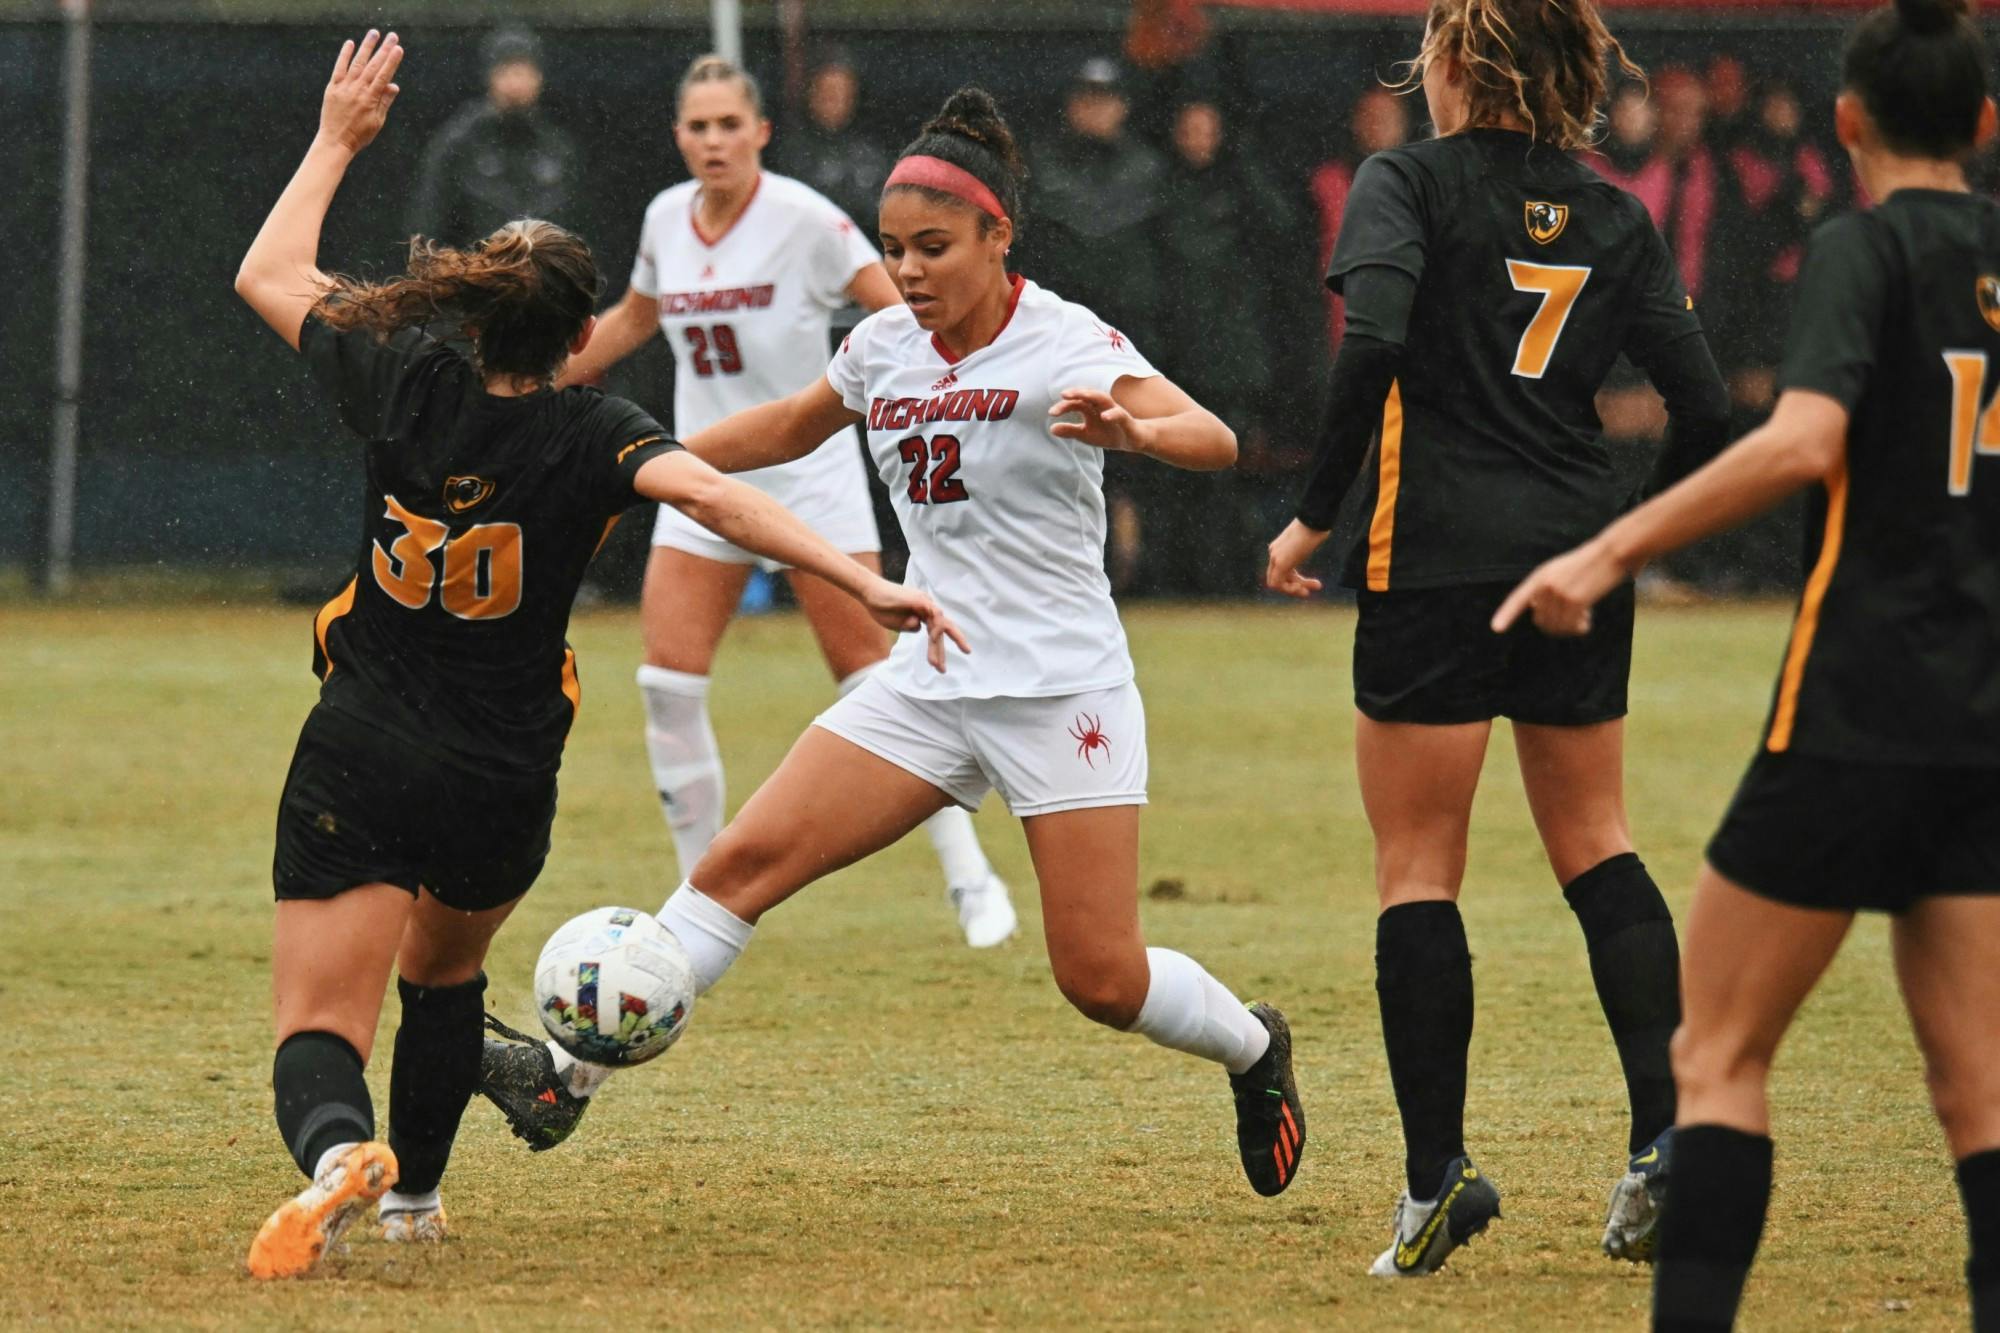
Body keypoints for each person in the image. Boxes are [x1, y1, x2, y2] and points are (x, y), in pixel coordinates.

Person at [485, 86, 1308, 1197]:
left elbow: (1209, 436)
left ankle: (1254, 1049)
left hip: (1059, 690)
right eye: (893, 250)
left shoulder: (1061, 336)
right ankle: (564, 1083)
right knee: (736, 869)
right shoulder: (881, 347)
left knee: (1102, 979)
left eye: (933, 248)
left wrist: (1134, 428)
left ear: (995, 237)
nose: (910, 272)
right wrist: (634, 460)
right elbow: (784, 427)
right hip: (929, 676)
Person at [231, 31, 960, 1278]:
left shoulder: (405, 377)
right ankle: (415, 1205)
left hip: (359, 746)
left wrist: (339, 137)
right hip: (502, 768)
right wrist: (855, 571)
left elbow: (267, 271)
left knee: (318, 1023)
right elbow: (723, 500)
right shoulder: (592, 428)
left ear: (471, 317)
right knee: (445, 979)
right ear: (579, 340)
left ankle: (337, 1153)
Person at [1494, 2, 2000, 1325]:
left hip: (1854, 705)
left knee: (1715, 1055)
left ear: (1847, 124)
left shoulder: (1865, 246)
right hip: (1983, 723)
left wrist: (1610, 553)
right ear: (1987, 126)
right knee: (1980, 1094)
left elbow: (1799, 439)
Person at [1263, 0, 1732, 1277]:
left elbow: (1369, 344)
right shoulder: (1614, 211)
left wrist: (1310, 515)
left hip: (1429, 558)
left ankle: (1433, 1180)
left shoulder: (1402, 178)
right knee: (1597, 843)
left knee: (1418, 863)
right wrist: (1623, 545)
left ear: (1457, 62)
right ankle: (1663, 1139)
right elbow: (1700, 406)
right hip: (1574, 559)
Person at [527, 57, 1018, 984]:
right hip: (705, 469)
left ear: (761, 133)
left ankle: (968, 873)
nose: (712, 140)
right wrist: (538, 376)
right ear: (679, 136)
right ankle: (693, 907)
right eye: (696, 125)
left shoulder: (807, 220)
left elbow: (901, 310)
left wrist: (956, 389)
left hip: (813, 474)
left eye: (728, 124)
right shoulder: (666, 219)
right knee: (666, 681)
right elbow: (635, 316)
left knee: (874, 680)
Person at [406, 26, 580, 246]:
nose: (515, 83)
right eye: (506, 72)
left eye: (522, 72)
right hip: (475, 272)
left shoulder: (556, 148)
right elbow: (429, 222)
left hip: (541, 274)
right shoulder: (459, 141)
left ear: (538, 77)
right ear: (490, 77)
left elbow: (577, 226)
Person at [1311, 88, 1413, 354]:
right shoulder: (1329, 183)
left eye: (1388, 117)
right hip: (1341, 331)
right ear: (1355, 123)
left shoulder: (1425, 183)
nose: (1379, 125)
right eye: (1371, 117)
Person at [768, 52, 892, 246]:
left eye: (842, 93)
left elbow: (885, 214)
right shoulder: (793, 152)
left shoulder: (870, 152)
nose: (834, 101)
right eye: (827, 93)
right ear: (811, 95)